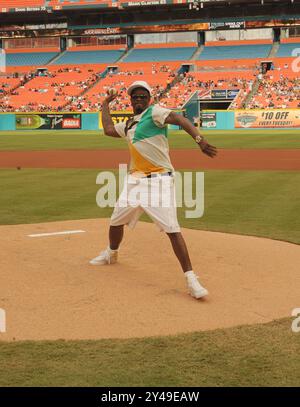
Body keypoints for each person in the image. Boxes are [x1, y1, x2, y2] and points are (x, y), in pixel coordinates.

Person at [90, 81, 217, 299]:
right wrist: (105, 104)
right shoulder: (130, 123)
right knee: (115, 221)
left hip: (159, 181)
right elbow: (109, 130)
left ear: (149, 99)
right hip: (134, 181)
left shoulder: (155, 113)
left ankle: (191, 278)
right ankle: (111, 253)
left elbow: (179, 119)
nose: (138, 100)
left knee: (172, 229)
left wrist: (200, 140)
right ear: (130, 100)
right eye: (135, 97)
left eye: (142, 96)